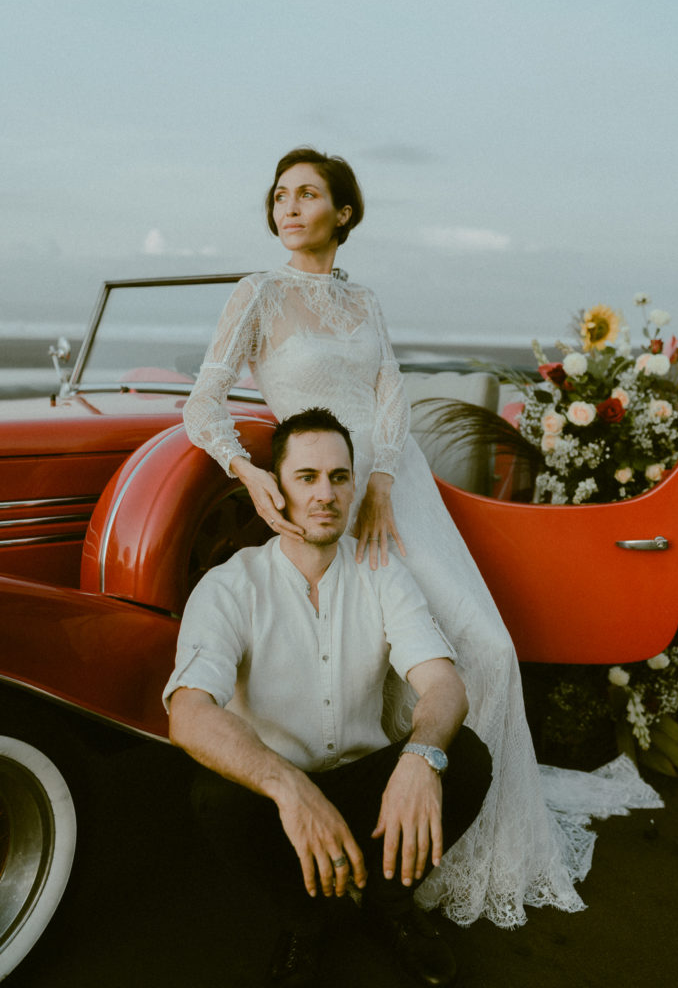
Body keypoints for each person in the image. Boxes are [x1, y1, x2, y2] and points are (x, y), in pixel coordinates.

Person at [183, 147, 660, 928]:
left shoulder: (363, 299)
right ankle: (377, 827)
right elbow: (203, 404)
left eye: (308, 194)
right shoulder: (257, 293)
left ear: (344, 213)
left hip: (395, 489)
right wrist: (248, 471)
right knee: (374, 647)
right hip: (320, 487)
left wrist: (378, 484)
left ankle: (473, 838)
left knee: (485, 649)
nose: (289, 207)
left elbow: (390, 396)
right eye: (279, 196)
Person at [164, 408, 493, 987]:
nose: (326, 493)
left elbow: (442, 683)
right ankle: (305, 920)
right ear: (276, 488)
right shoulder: (230, 585)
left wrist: (422, 757)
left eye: (339, 477)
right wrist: (290, 790)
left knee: (464, 757)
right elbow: (189, 715)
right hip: (278, 801)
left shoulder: (383, 573)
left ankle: (389, 904)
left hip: (364, 784)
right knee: (216, 797)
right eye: (307, 477)